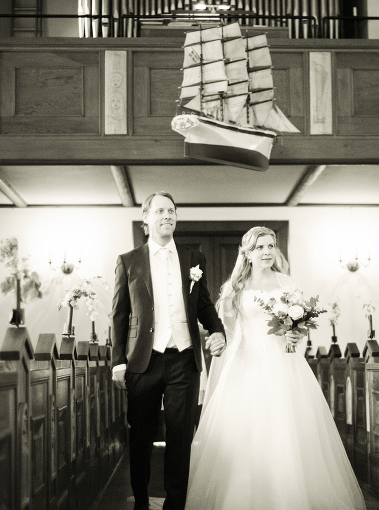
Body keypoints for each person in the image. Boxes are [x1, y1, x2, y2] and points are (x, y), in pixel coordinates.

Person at [185, 226, 366, 510]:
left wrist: (296, 334)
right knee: (245, 433)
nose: (266, 252)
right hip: (246, 364)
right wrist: (218, 342)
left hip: (284, 364)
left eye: (270, 246)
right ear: (247, 253)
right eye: (259, 247)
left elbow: (298, 325)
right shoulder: (235, 288)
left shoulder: (287, 283)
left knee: (286, 429)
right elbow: (226, 330)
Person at [111, 191, 226, 510]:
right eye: (160, 210)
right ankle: (141, 502)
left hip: (183, 360)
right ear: (146, 218)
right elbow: (119, 314)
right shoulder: (128, 260)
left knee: (180, 436)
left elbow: (203, 304)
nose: (167, 215)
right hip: (143, 361)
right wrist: (118, 362)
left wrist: (217, 330)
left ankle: (176, 504)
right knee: (141, 437)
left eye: (172, 210)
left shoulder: (194, 258)